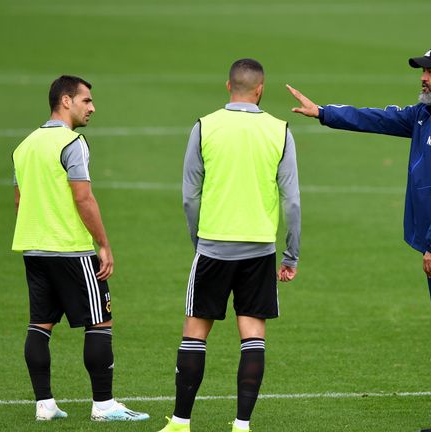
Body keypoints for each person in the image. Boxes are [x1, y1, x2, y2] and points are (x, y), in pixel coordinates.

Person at [288, 45, 431, 432]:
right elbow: (379, 118)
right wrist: (324, 113)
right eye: (422, 71)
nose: (423, 77)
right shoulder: (428, 113)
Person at [157, 58, 301, 432]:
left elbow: (189, 196)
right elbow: (292, 202)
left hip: (213, 247)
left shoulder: (204, 126)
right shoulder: (280, 130)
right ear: (260, 89)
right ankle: (241, 425)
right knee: (252, 336)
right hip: (260, 251)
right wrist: (291, 254)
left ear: (228, 87)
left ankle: (180, 422)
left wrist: (198, 239)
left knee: (195, 333)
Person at [12, 75, 148, 422]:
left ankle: (45, 405)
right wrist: (103, 244)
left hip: (34, 249)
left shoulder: (24, 146)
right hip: (71, 249)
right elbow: (83, 198)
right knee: (100, 322)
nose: (92, 107)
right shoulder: (72, 143)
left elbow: (19, 202)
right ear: (66, 101)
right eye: (86, 100)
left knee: (40, 324)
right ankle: (104, 405)